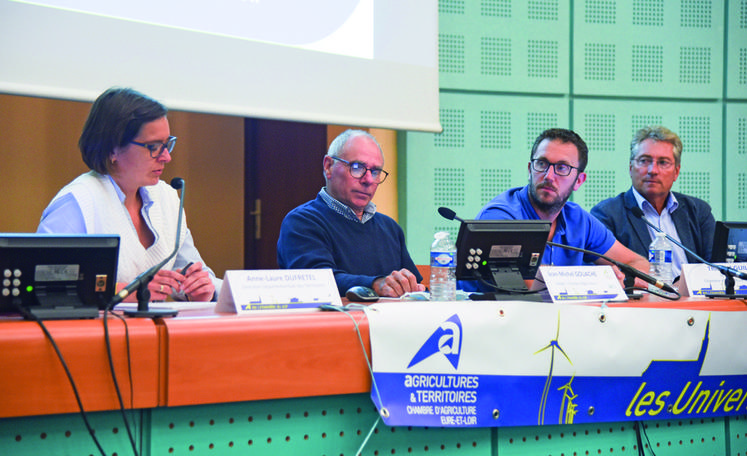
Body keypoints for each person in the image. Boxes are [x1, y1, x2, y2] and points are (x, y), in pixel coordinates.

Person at [37, 87, 220, 302]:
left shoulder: (167, 197)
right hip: (91, 333)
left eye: (167, 144)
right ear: (112, 149)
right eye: (153, 146)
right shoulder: (77, 203)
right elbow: (46, 286)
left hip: (154, 332)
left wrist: (201, 290)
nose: (166, 157)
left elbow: (191, 273)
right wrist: (127, 292)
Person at [476, 128, 649, 279]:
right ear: (529, 170)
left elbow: (639, 264)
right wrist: (597, 279)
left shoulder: (579, 220)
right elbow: (522, 277)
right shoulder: (500, 215)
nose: (548, 176)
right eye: (541, 164)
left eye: (562, 168)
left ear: (579, 180)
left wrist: (620, 279)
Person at [277, 129, 425, 297]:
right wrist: (376, 284)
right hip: (334, 322)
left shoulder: (390, 228)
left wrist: (415, 288)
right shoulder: (301, 222)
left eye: (375, 171)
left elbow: (414, 287)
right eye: (357, 167)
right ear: (328, 167)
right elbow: (317, 283)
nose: (368, 180)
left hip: (388, 322)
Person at [591, 125, 715, 279]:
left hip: (695, 300)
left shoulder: (698, 211)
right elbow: (605, 273)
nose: (653, 170)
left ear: (676, 172)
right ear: (630, 168)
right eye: (644, 161)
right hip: (644, 301)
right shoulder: (607, 214)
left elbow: (716, 266)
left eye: (663, 162)